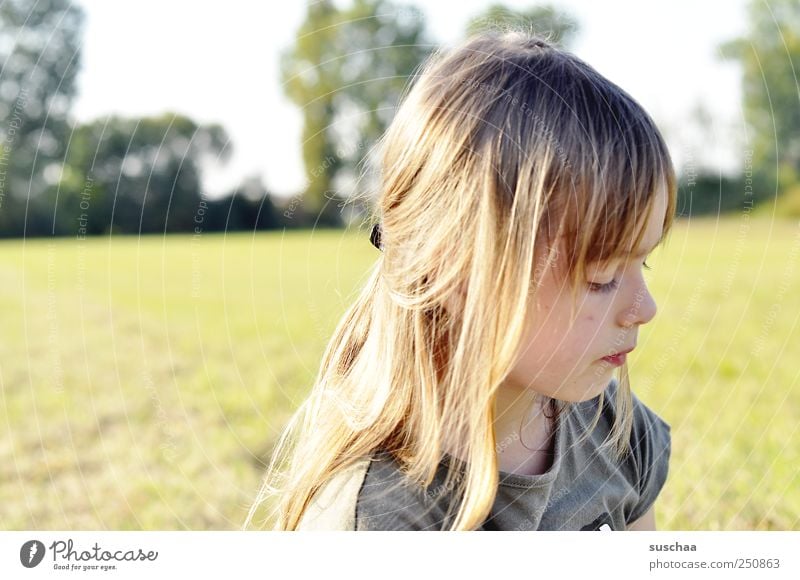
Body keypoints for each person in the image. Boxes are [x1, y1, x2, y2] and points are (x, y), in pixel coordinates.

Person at [244, 29, 677, 531]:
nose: (644, 307)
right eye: (601, 276)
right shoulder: (384, 520)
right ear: (459, 273)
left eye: (640, 264)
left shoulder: (614, 428)